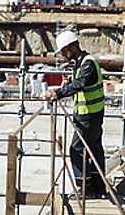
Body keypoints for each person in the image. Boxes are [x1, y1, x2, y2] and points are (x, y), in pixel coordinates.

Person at [43, 30, 106, 199]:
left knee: (76, 149)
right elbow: (72, 83)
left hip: (89, 116)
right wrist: (56, 91)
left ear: (72, 47)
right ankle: (98, 187)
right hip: (87, 114)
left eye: (64, 51)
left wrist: (57, 95)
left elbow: (79, 84)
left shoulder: (88, 64)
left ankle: (85, 189)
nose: (63, 55)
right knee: (94, 149)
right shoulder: (79, 63)